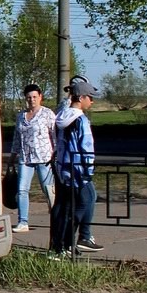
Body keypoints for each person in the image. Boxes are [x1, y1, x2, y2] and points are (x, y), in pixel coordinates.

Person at [50, 76, 104, 257]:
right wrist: (88, 170)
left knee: (66, 206)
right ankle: (70, 242)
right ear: (80, 98)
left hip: (63, 168)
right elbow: (86, 147)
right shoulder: (81, 120)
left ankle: (62, 246)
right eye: (90, 97)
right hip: (78, 170)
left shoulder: (61, 117)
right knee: (85, 201)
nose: (92, 101)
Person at [8, 83, 56, 233]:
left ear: (40, 97)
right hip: (25, 158)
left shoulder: (47, 114)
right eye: (29, 97)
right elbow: (17, 138)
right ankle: (23, 222)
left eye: (35, 97)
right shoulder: (21, 117)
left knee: (49, 190)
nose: (32, 100)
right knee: (22, 190)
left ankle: (56, 219)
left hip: (44, 158)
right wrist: (12, 157)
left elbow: (55, 135)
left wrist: (56, 154)